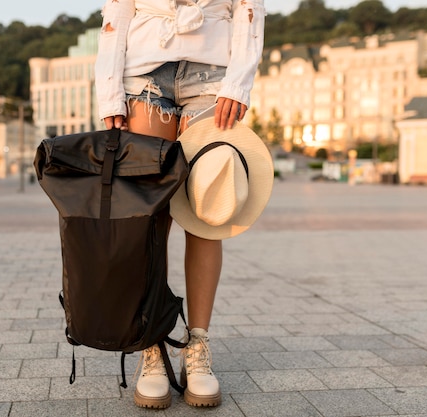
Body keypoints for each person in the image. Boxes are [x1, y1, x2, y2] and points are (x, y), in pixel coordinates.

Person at [94, 0, 265, 409]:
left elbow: (250, 6)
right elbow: (117, 10)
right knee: (149, 217)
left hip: (213, 73)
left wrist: (239, 83)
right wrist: (109, 94)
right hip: (143, 72)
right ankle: (150, 343)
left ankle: (198, 346)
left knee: (209, 206)